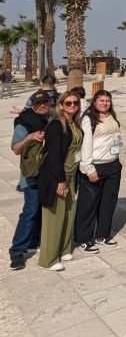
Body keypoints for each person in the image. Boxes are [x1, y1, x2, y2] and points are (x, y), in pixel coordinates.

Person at [37, 91, 83, 271]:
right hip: (57, 176)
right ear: (61, 105)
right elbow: (54, 156)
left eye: (75, 103)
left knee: (67, 214)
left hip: (71, 175)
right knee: (54, 217)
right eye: (68, 103)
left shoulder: (74, 123)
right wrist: (61, 180)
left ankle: (64, 249)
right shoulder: (56, 125)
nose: (72, 106)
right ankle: (48, 258)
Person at [74, 89, 123, 251]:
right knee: (88, 204)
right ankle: (83, 238)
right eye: (101, 100)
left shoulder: (111, 116)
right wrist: (88, 168)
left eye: (107, 100)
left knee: (108, 203)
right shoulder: (88, 119)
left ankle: (103, 234)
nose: (105, 103)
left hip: (113, 165)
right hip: (95, 166)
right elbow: (85, 145)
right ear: (94, 102)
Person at [8, 90, 51, 270]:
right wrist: (30, 137)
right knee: (30, 211)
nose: (42, 106)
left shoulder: (49, 120)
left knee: (42, 210)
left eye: (45, 103)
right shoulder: (24, 123)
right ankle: (17, 250)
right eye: (38, 103)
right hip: (31, 176)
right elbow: (15, 149)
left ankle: (34, 241)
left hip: (46, 175)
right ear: (32, 105)